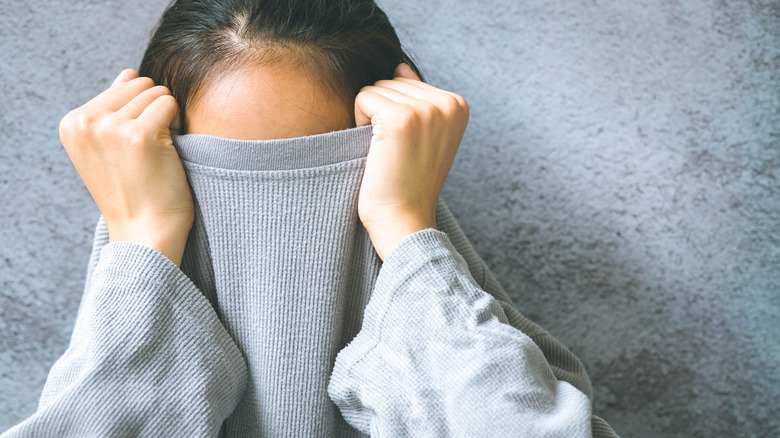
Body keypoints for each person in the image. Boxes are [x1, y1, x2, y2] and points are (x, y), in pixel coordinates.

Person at [2, 0, 617, 436]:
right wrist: (145, 239)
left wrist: (403, 226)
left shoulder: (473, 341)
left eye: (320, 179)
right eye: (216, 182)